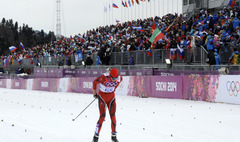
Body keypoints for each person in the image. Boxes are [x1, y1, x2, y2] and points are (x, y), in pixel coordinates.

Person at [92, 68, 123, 142]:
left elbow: (116, 85)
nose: (113, 80)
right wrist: (95, 93)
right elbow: (95, 82)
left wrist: (113, 89)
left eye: (115, 78)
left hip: (111, 98)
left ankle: (114, 136)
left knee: (113, 116)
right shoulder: (104, 77)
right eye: (112, 78)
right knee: (102, 116)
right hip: (102, 97)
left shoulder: (119, 78)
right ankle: (96, 136)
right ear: (110, 75)